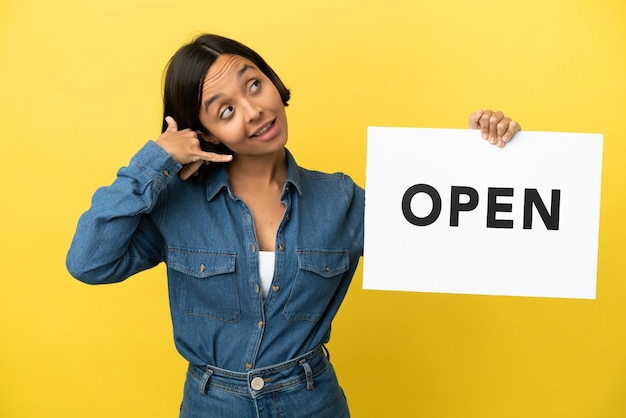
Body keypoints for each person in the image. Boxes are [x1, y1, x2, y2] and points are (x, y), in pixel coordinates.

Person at [66, 33, 521, 418]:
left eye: (254, 85)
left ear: (273, 82)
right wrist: (155, 160)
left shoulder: (341, 199)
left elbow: (453, 241)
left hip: (312, 401)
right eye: (225, 111)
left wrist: (484, 158)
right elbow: (88, 262)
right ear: (201, 133)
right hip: (211, 405)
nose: (254, 111)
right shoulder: (176, 206)